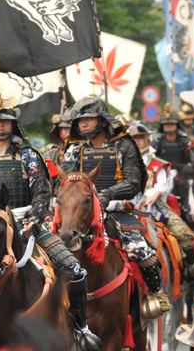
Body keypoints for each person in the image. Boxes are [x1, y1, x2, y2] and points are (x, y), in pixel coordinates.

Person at [0, 94, 102, 351]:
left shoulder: (29, 156)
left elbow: (42, 191)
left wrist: (33, 218)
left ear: (13, 125)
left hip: (28, 226)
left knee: (75, 271)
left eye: (4, 121)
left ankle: (80, 329)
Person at [60, 96, 170, 312]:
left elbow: (134, 182)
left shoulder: (125, 145)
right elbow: (64, 181)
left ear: (102, 120)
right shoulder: (74, 148)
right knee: (51, 251)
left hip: (117, 211)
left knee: (142, 251)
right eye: (80, 119)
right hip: (81, 214)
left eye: (89, 118)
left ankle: (155, 294)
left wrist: (107, 194)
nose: (83, 123)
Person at [129, 122, 194, 282]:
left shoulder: (158, 163)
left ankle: (191, 268)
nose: (137, 142)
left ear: (147, 140)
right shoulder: (122, 164)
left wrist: (156, 193)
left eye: (140, 138)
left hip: (154, 206)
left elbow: (163, 183)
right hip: (129, 207)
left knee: (183, 232)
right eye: (133, 139)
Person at [153, 103, 194, 220]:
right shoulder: (157, 143)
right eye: (166, 125)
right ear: (162, 127)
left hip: (183, 175)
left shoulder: (186, 142)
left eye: (172, 124)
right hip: (162, 176)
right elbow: (151, 160)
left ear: (177, 126)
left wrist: (189, 166)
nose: (169, 127)